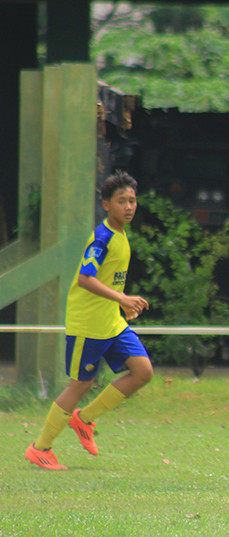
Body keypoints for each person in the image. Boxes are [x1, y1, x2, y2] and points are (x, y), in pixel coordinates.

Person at [25, 170, 154, 470]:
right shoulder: (102, 238)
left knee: (143, 371)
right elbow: (85, 278)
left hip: (112, 321)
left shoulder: (121, 233)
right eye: (121, 201)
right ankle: (40, 448)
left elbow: (110, 278)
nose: (129, 207)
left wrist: (121, 304)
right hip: (89, 324)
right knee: (81, 385)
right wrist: (122, 298)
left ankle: (84, 420)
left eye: (132, 200)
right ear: (106, 205)